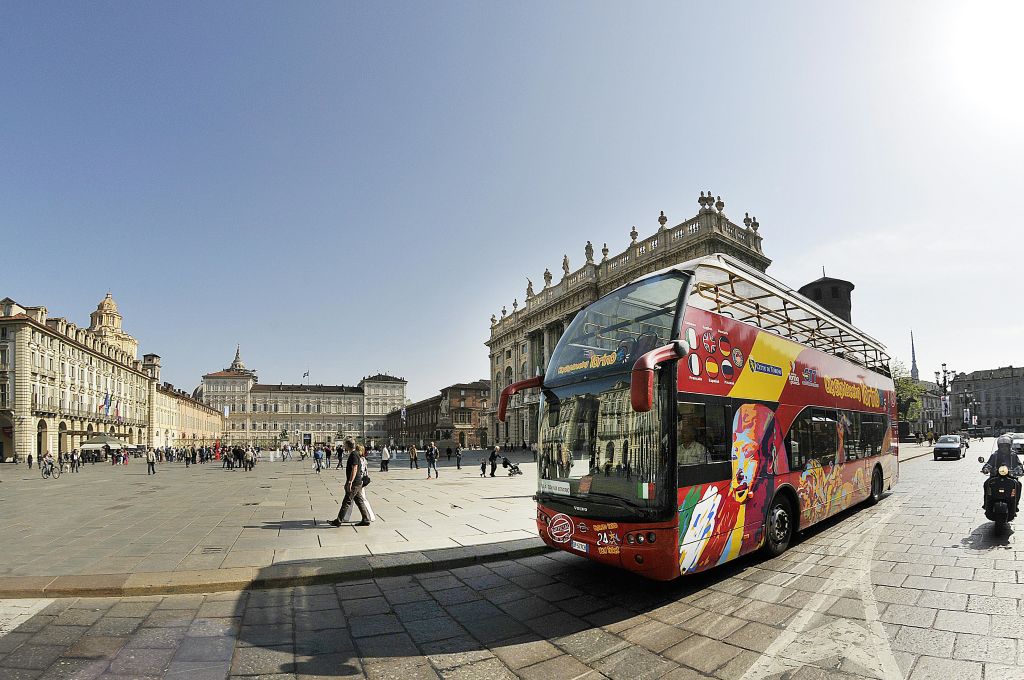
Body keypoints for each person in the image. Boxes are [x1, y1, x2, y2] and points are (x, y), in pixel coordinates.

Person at [329, 437, 371, 527]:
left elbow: (355, 468)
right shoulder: (355, 454)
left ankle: (338, 520)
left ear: (348, 445)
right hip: (358, 482)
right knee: (359, 501)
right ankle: (365, 519)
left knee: (346, 501)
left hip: (355, 482)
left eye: (345, 445)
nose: (344, 446)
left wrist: (350, 482)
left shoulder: (353, 455)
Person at [982, 435, 1023, 510]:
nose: (1004, 448)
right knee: (986, 484)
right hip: (996, 476)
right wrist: (986, 469)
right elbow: (989, 463)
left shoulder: (1013, 455)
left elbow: (1018, 464)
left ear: (1009, 446)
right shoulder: (995, 455)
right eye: (1002, 446)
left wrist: (1020, 469)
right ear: (999, 447)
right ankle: (986, 503)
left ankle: (1016, 504)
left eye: (1006, 446)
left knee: (1018, 485)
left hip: (1011, 476)